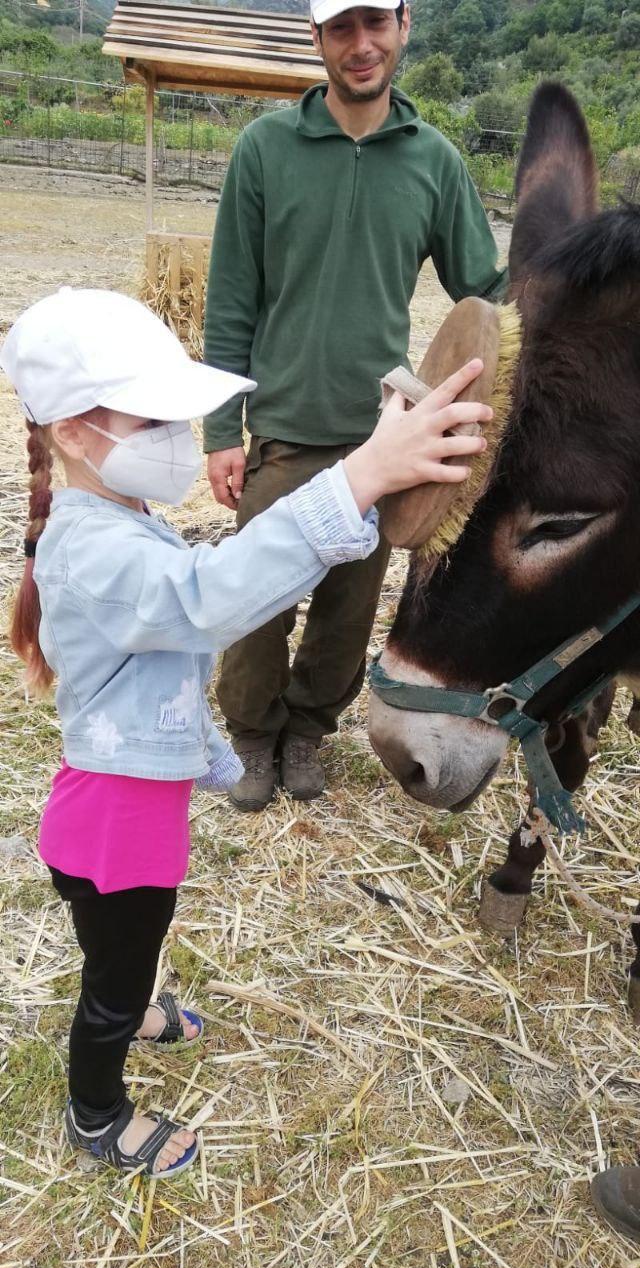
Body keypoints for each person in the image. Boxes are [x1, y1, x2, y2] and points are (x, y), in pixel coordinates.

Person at [1, 285, 492, 1178]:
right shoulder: (95, 549)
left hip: (106, 815)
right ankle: (97, 1114)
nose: (177, 441)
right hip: (118, 830)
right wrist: (360, 478)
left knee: (118, 950)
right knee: (110, 981)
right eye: (152, 420)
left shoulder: (112, 520)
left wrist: (365, 490)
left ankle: (132, 999)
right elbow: (210, 597)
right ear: (74, 430)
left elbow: (186, 625)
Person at [203, 0, 508, 811]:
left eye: (376, 23)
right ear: (318, 38)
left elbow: (485, 290)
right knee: (254, 602)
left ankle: (307, 730)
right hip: (281, 430)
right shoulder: (265, 149)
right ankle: (252, 735)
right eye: (342, 27)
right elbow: (231, 297)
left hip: (384, 437)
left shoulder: (434, 161)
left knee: (347, 609)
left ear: (405, 25)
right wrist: (218, 429)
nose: (361, 44)